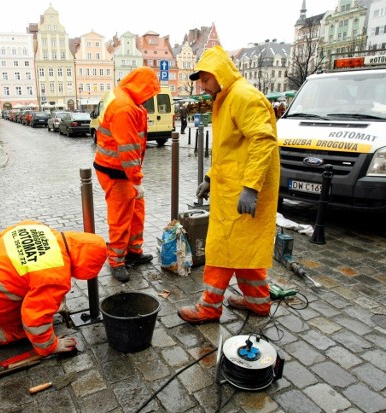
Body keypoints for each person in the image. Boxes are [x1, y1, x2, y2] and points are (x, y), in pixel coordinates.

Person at [177, 46, 280, 324]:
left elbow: (262, 140)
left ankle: (209, 307)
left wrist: (251, 187)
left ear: (220, 74)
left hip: (242, 194)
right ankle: (258, 302)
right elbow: (229, 150)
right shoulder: (226, 97)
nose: (203, 85)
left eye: (206, 79)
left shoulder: (244, 97)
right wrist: (210, 178)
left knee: (222, 248)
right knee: (244, 248)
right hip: (231, 191)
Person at [0, 219, 108, 358]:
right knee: (24, 329)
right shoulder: (56, 274)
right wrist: (51, 346)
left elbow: (3, 237)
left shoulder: (40, 228)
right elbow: (34, 319)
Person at [93, 66, 161, 282]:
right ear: (142, 87)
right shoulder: (125, 107)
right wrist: (136, 180)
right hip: (116, 171)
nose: (150, 98)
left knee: (136, 211)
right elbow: (128, 148)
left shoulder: (126, 99)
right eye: (150, 92)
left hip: (120, 169)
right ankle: (117, 260)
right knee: (121, 217)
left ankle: (133, 251)